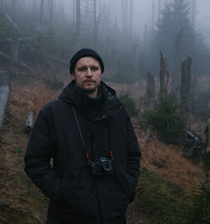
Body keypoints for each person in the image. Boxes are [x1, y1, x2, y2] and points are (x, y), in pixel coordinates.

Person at [24, 48, 141, 224]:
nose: (89, 74)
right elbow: (34, 161)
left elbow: (133, 154)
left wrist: (127, 188)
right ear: (73, 74)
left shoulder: (117, 111)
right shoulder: (53, 113)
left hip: (114, 214)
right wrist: (61, 193)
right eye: (82, 69)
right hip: (68, 216)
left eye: (94, 68)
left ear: (101, 73)